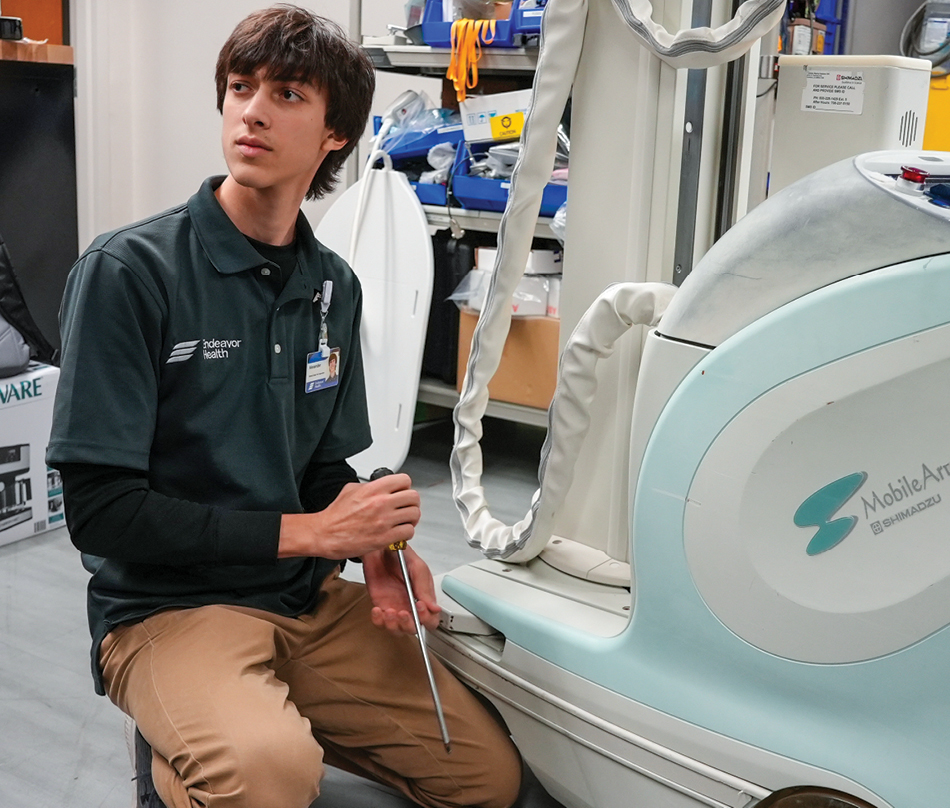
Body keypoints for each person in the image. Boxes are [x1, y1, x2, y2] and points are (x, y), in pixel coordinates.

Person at [46, 6, 522, 808]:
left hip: (302, 600)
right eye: (240, 88)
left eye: (289, 94)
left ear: (336, 132)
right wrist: (315, 533)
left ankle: (239, 716)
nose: (253, 110)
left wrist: (371, 537)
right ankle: (187, 748)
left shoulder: (334, 285)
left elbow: (321, 466)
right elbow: (99, 514)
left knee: (486, 776)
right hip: (168, 608)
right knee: (268, 776)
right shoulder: (130, 272)